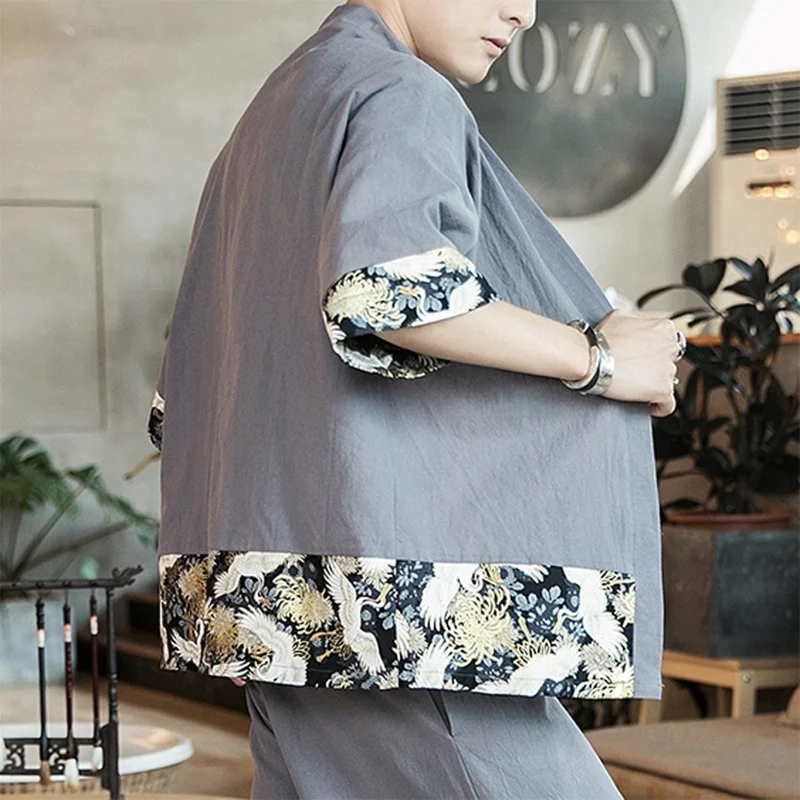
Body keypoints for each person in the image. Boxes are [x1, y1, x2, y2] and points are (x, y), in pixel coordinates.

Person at [148, 1, 685, 797]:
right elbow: (389, 291)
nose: (525, 12)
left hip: (290, 607)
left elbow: (200, 377)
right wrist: (599, 359)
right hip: (401, 614)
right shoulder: (400, 90)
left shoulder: (276, 113)